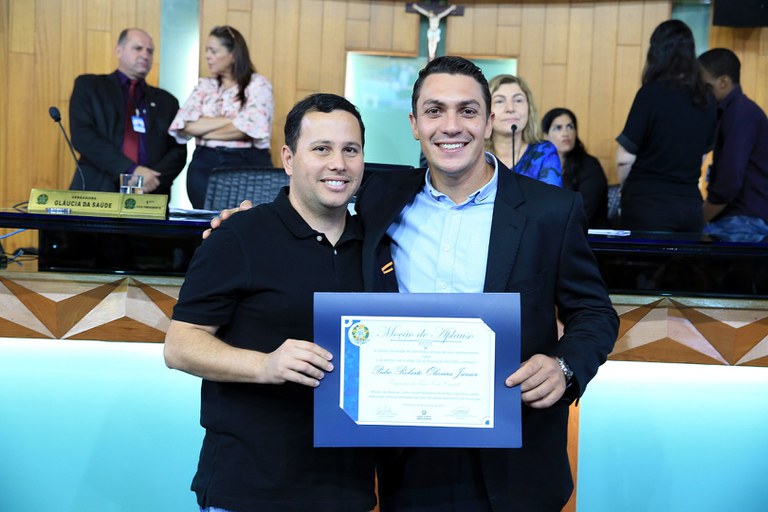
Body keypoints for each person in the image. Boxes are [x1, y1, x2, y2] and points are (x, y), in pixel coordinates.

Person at [207, 56, 618, 511]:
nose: (451, 125)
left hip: (516, 461)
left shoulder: (551, 211)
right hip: (408, 461)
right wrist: (247, 224)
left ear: (488, 122)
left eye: (467, 111)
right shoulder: (382, 195)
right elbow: (315, 193)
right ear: (415, 124)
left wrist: (564, 366)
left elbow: (594, 313)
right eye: (434, 110)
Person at [164, 93, 375, 511]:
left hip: (345, 492)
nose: (338, 163)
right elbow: (180, 345)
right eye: (321, 149)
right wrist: (266, 365)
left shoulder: (379, 244)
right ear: (289, 159)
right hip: (247, 489)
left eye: (350, 150)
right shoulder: (239, 235)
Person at [616, 19, 716, 232]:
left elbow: (625, 159)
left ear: (656, 52)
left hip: (647, 205)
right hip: (690, 206)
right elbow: (702, 156)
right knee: (685, 256)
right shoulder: (706, 97)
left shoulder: (650, 93)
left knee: (644, 256)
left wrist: (627, 190)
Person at [68, 28, 187, 194]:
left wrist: (151, 180)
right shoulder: (90, 86)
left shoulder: (167, 101)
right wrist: (131, 170)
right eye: (138, 48)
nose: (145, 55)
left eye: (150, 51)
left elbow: (178, 151)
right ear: (119, 51)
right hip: (98, 191)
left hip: (150, 195)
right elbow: (83, 136)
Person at [170, 25, 274, 208]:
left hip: (246, 163)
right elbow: (185, 125)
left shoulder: (258, 85)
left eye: (213, 51)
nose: (207, 56)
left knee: (245, 219)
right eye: (206, 50)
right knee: (206, 220)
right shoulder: (205, 85)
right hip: (204, 163)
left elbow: (250, 129)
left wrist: (203, 131)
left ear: (233, 54)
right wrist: (233, 120)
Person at [698, 48, 768, 242]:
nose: (700, 91)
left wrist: (699, 220)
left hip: (746, 220)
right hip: (743, 216)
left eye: (705, 85)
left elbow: (729, 181)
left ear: (723, 82)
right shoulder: (737, 111)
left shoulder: (739, 114)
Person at [485, 74, 562, 186]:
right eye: (499, 101)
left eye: (518, 100)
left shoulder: (544, 151)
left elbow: (553, 196)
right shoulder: (476, 154)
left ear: (529, 109)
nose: (510, 108)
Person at [542, 107, 609, 227]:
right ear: (546, 135)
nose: (566, 133)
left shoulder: (590, 166)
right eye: (558, 128)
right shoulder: (540, 166)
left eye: (570, 127)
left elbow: (583, 214)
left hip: (585, 234)